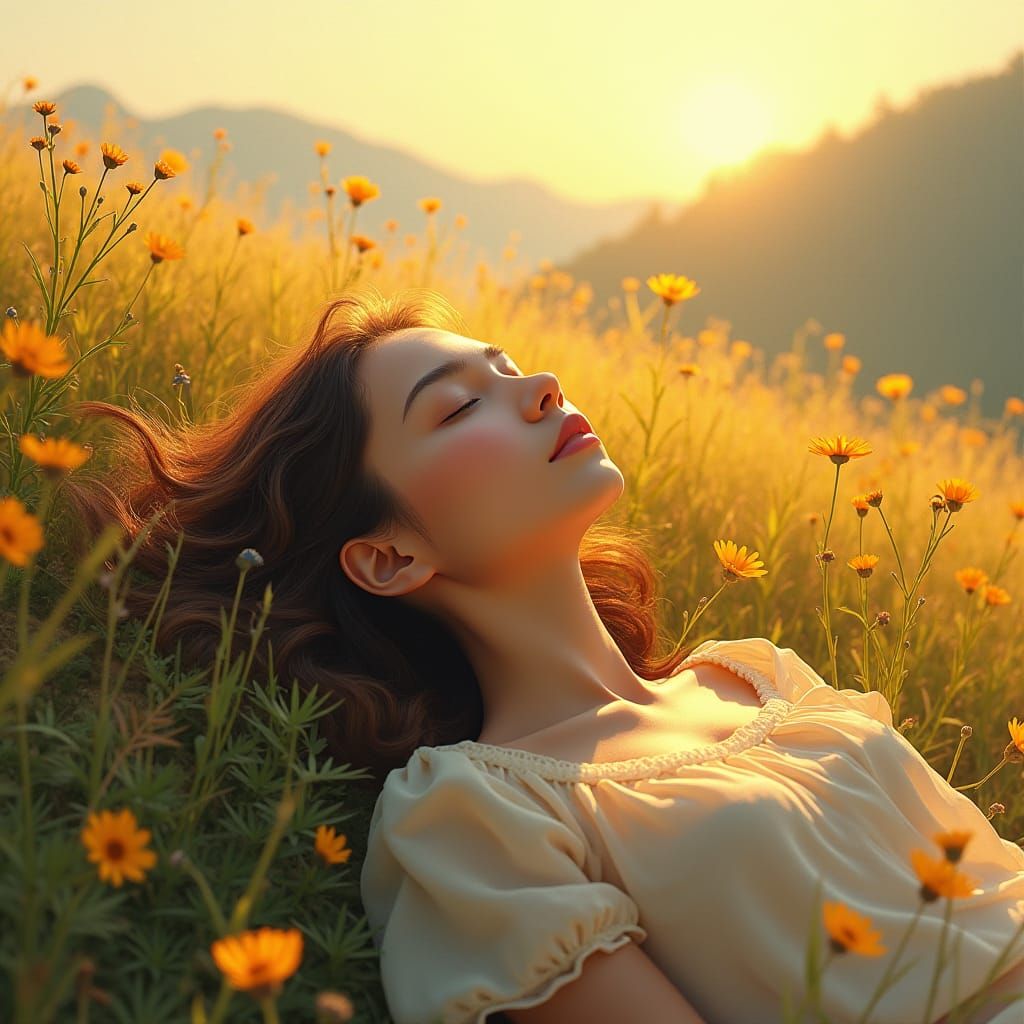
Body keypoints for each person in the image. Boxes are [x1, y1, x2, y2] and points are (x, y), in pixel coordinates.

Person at [63, 289, 1024, 1023]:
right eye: (456, 408)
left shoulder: (760, 675)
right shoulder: (477, 815)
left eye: (512, 366)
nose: (540, 389)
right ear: (390, 557)